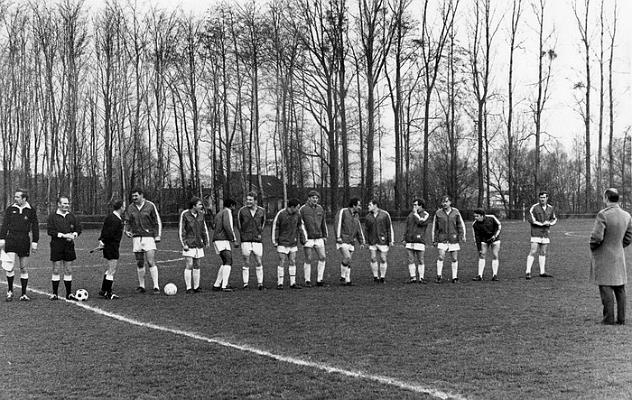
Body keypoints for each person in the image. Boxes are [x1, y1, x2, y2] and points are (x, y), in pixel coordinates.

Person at [589, 188, 632, 325]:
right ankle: (621, 318)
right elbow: (628, 238)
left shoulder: (603, 214)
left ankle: (608, 318)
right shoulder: (627, 215)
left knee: (605, 286)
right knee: (620, 288)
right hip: (619, 254)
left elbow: (596, 237)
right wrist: (618, 246)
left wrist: (593, 247)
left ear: (606, 198)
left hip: (604, 255)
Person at [0, 190, 39, 302]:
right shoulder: (10, 209)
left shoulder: (31, 210)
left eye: (17, 197)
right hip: (11, 239)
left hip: (24, 240)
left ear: (24, 198)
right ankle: (10, 291)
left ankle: (23, 294)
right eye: (15, 196)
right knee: (10, 266)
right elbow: (4, 225)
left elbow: (35, 226)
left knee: (23, 267)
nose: (15, 198)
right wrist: (2, 239)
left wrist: (35, 242)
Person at [124, 188, 162, 293]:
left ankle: (156, 286)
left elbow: (157, 221)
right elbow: (127, 221)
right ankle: (142, 286)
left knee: (150, 261)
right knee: (140, 262)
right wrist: (126, 231)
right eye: (133, 196)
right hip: (136, 238)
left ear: (141, 195)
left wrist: (157, 235)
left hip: (149, 237)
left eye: (136, 196)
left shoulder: (150, 205)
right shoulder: (130, 207)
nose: (134, 198)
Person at [47, 196, 82, 300]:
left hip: (69, 246)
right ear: (59, 204)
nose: (67, 205)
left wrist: (74, 235)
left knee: (68, 270)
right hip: (56, 246)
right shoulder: (52, 217)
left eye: (68, 203)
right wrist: (63, 235)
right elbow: (50, 231)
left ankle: (69, 294)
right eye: (64, 203)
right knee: (56, 269)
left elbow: (78, 228)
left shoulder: (72, 216)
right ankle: (55, 293)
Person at [432, 195, 466, 283]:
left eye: (446, 201)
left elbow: (460, 225)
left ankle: (455, 277)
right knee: (441, 256)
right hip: (442, 239)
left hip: (453, 239)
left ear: (450, 202)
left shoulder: (456, 212)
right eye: (443, 202)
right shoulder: (438, 213)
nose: (444, 203)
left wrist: (462, 235)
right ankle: (439, 276)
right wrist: (434, 240)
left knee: (454, 258)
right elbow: (434, 228)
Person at [179, 197, 210, 294]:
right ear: (194, 206)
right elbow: (182, 230)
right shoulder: (185, 214)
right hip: (189, 244)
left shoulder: (201, 215)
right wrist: (184, 243)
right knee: (189, 264)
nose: (201, 206)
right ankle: (189, 288)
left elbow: (204, 228)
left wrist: (206, 241)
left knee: (197, 264)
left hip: (198, 244)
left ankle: (196, 287)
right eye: (200, 204)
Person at [271, 199, 303, 290]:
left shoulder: (298, 215)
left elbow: (300, 226)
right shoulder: (281, 214)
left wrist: (303, 238)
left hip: (293, 242)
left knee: (292, 260)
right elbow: (275, 227)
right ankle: (280, 283)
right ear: (292, 207)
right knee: (282, 260)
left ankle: (293, 283)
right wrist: (275, 241)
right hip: (282, 242)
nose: (298, 209)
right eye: (297, 207)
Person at [525, 191, 557, 279]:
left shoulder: (550, 208)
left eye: (544, 197)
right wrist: (542, 224)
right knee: (533, 251)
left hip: (545, 234)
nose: (542, 199)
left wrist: (549, 223)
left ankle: (542, 272)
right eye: (541, 197)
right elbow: (531, 219)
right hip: (536, 233)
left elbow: (554, 219)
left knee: (543, 252)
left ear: (547, 198)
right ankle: (528, 271)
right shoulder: (534, 208)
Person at [97, 200, 125, 299]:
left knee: (110, 269)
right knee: (112, 270)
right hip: (112, 247)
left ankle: (103, 290)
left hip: (109, 246)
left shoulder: (111, 217)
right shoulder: (115, 220)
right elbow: (109, 233)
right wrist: (103, 242)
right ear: (121, 207)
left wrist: (101, 241)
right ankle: (108, 293)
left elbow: (105, 231)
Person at [238, 192, 266, 290]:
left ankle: (260, 283)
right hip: (245, 240)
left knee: (258, 261)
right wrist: (243, 235)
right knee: (246, 261)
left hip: (257, 240)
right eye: (247, 199)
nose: (248, 202)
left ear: (255, 201)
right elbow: (239, 225)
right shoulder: (242, 211)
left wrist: (259, 233)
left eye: (250, 200)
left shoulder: (262, 211)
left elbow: (263, 223)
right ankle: (245, 284)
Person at [299, 190, 328, 287]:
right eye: (313, 198)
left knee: (323, 257)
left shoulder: (320, 208)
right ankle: (307, 280)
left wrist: (324, 235)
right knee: (309, 258)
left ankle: (320, 279)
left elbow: (323, 223)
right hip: (308, 238)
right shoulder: (303, 209)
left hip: (319, 237)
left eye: (316, 198)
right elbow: (300, 224)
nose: (315, 200)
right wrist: (303, 237)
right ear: (309, 198)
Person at [334, 198, 365, 286]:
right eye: (359, 205)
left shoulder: (356, 215)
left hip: (351, 241)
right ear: (354, 205)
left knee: (349, 261)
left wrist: (361, 241)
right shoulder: (343, 212)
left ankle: (348, 280)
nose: (360, 207)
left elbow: (358, 228)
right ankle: (342, 277)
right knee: (347, 257)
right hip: (343, 240)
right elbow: (337, 224)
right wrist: (338, 237)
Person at [365, 199, 394, 283]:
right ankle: (375, 277)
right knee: (373, 258)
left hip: (383, 240)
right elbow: (366, 230)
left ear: (375, 205)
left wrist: (390, 240)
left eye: (370, 205)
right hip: (372, 241)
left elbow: (389, 227)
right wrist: (366, 241)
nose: (368, 206)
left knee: (383, 258)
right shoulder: (368, 217)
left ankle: (382, 277)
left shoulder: (385, 214)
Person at [212, 199, 237, 292]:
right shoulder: (227, 212)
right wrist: (233, 239)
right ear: (231, 205)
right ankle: (224, 285)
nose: (234, 208)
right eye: (234, 206)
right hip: (222, 240)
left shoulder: (219, 213)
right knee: (228, 261)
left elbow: (213, 225)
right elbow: (228, 226)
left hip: (217, 239)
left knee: (225, 261)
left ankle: (217, 284)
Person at [402, 199, 430, 283]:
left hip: (419, 240)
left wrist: (415, 214)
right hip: (410, 240)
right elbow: (406, 227)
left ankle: (421, 278)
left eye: (415, 205)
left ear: (421, 206)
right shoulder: (410, 215)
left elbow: (421, 222)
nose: (414, 206)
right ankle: (413, 277)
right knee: (410, 259)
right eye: (413, 204)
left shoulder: (425, 214)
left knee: (420, 259)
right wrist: (404, 238)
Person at [471, 209, 502, 281]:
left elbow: (499, 226)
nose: (475, 218)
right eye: (474, 216)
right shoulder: (475, 224)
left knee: (495, 255)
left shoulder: (492, 218)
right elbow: (476, 237)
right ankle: (480, 275)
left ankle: (495, 275)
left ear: (482, 216)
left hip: (495, 239)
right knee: (482, 255)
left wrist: (494, 236)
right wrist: (479, 249)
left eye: (477, 216)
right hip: (483, 240)